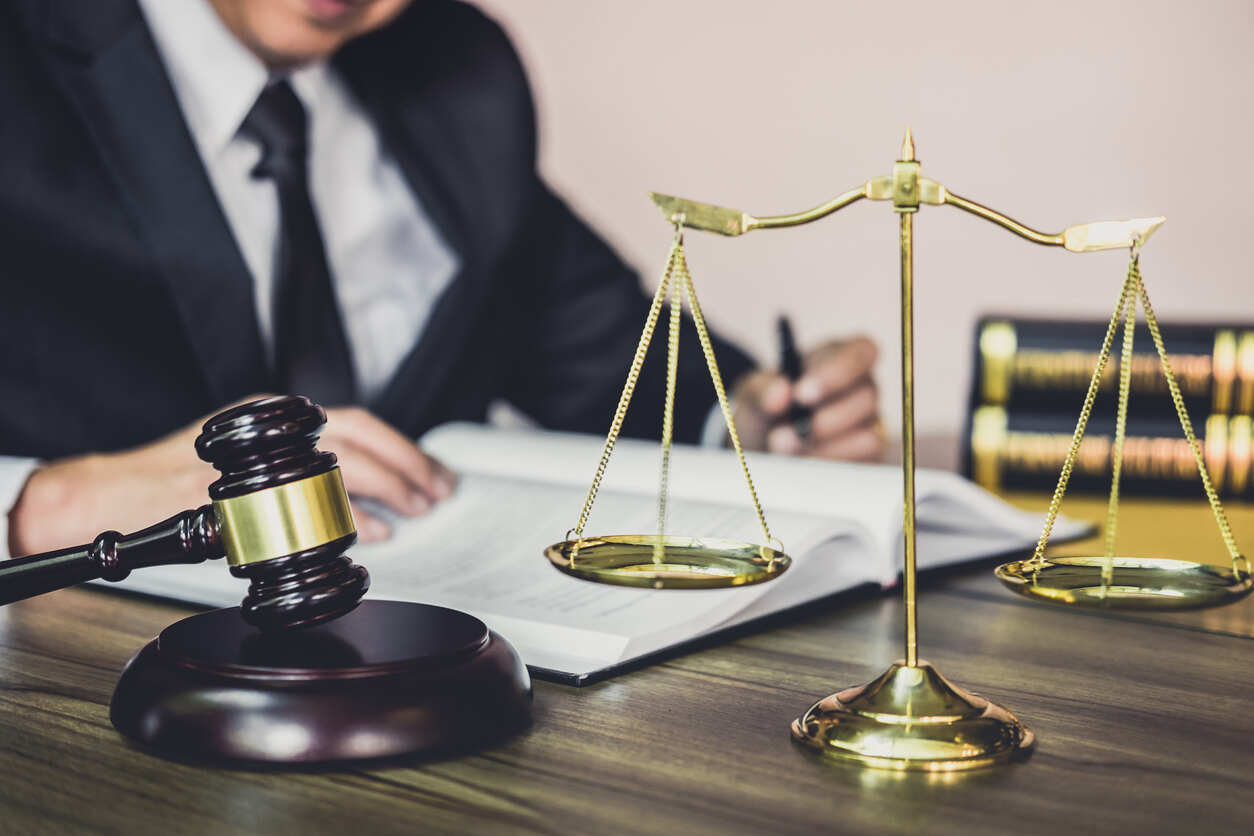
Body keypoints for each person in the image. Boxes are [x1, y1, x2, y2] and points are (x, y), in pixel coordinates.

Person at [0, 0, 882, 558]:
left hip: (406, 662)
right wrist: (41, 506)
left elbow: (600, 352)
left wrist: (754, 418)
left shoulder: (458, 68)